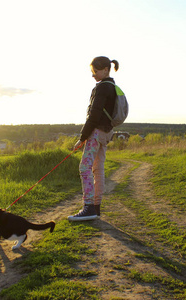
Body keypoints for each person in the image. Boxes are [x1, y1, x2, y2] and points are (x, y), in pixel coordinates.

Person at [68, 56, 119, 221]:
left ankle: (88, 207)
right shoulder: (112, 86)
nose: (93, 75)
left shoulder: (102, 87)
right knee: (98, 169)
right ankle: (96, 208)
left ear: (105, 69)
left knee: (85, 168)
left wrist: (82, 137)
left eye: (95, 71)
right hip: (106, 133)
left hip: (96, 133)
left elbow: (94, 115)